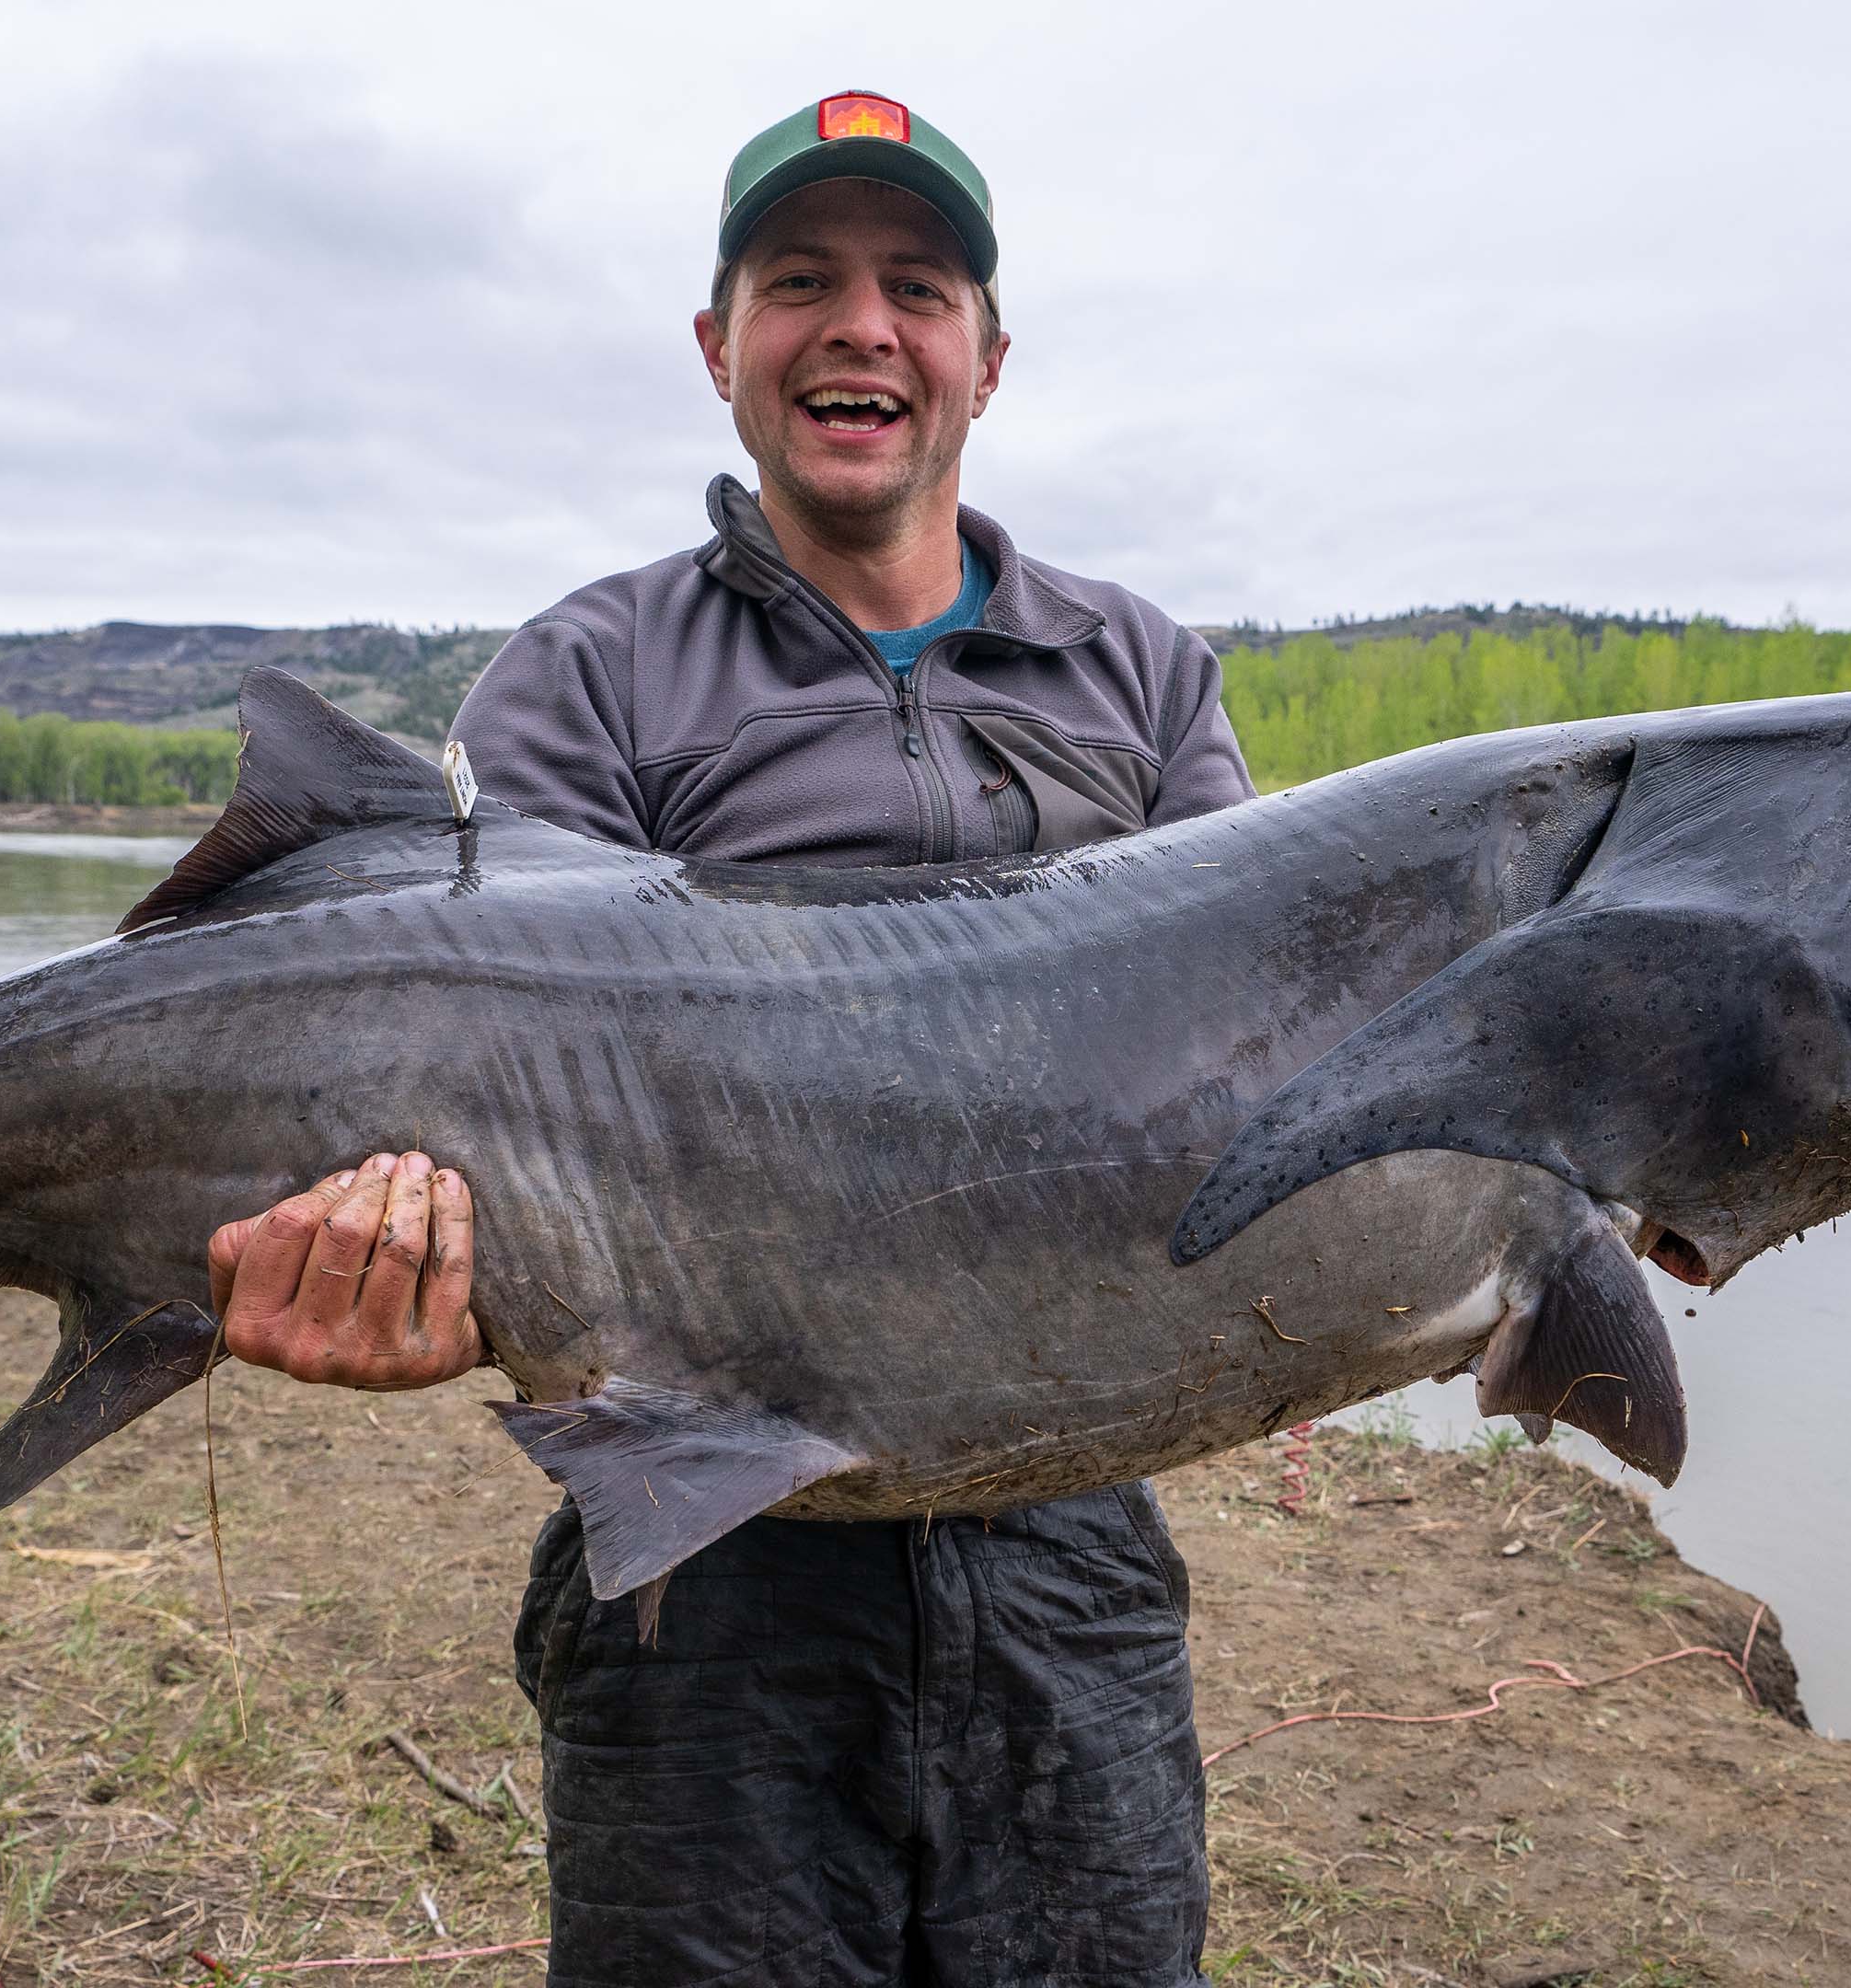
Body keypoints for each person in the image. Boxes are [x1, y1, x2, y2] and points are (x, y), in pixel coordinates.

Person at [204, 91, 1253, 1987]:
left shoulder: (1147, 679)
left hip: (1067, 1535)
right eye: (800, 283)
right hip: (704, 1566)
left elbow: (1245, 1058)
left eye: (915, 287)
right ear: (720, 347)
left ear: (986, 357)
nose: (860, 325)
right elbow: (469, 1087)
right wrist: (394, 1251)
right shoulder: (590, 676)